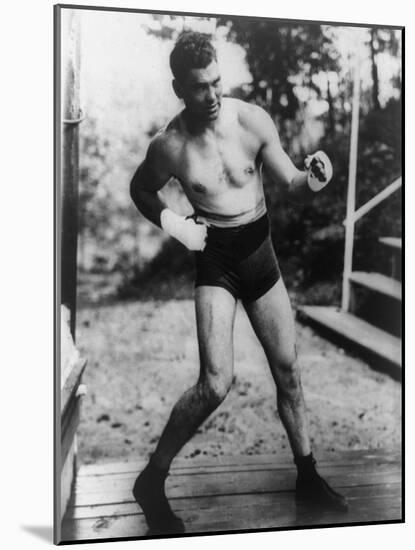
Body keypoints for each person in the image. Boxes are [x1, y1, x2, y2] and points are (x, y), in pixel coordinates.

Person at [129, 30, 347, 534]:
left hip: (259, 251)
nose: (211, 95)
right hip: (216, 259)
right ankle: (152, 480)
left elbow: (292, 181)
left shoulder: (251, 120)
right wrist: (176, 224)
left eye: (216, 82)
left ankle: (308, 477)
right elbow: (141, 189)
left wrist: (314, 174)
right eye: (199, 87)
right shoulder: (170, 146)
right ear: (179, 88)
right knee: (215, 383)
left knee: (288, 369)